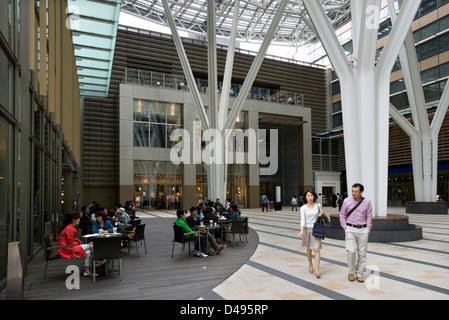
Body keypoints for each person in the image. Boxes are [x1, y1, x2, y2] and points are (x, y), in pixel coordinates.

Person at [339, 183, 372, 283]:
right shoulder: (346, 201)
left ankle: (359, 273)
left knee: (362, 253)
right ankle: (351, 272)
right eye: (352, 191)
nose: (353, 193)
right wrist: (345, 227)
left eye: (356, 192)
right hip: (350, 228)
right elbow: (342, 215)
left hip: (363, 230)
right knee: (351, 251)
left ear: (361, 192)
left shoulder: (367, 202)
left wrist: (368, 229)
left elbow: (369, 216)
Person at [298, 189, 326, 279]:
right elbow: (302, 219)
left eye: (311, 195)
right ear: (305, 197)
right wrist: (301, 231)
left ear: (314, 196)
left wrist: (321, 215)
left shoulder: (318, 206)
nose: (310, 197)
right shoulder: (303, 208)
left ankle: (317, 270)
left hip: (316, 229)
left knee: (316, 249)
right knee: (309, 249)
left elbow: (320, 215)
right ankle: (310, 264)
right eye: (308, 196)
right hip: (306, 229)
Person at [58, 211, 95, 277]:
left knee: (88, 252)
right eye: (78, 218)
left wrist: (77, 241)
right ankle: (98, 262)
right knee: (91, 245)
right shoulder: (70, 228)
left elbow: (70, 239)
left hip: (67, 247)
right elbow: (71, 242)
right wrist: (78, 242)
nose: (79, 219)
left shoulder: (69, 227)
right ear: (73, 220)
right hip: (67, 249)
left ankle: (87, 271)